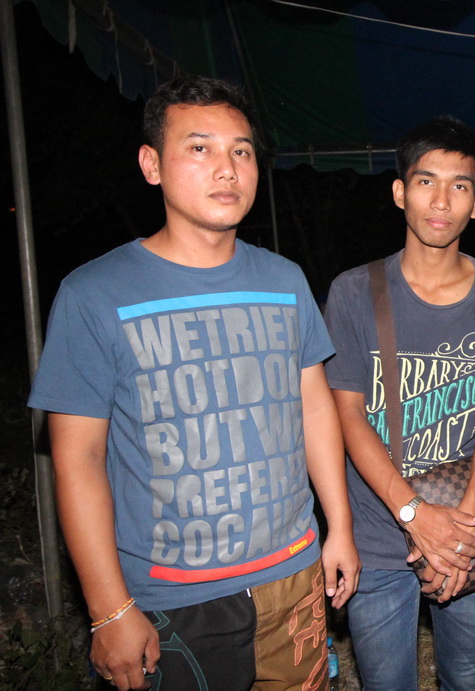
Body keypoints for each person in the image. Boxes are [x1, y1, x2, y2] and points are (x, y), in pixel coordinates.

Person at [28, 75, 359, 691]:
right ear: (151, 164)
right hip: (172, 600)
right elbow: (78, 460)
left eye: (241, 151)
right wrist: (109, 609)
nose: (227, 168)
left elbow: (314, 409)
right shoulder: (93, 294)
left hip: (292, 575)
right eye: (200, 148)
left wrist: (339, 527)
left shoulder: (285, 280)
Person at [323, 116, 475, 690]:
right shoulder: (353, 291)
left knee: (466, 673)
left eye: (459, 186)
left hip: (467, 523)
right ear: (399, 192)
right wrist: (414, 515)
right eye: (425, 181)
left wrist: (463, 533)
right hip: (378, 531)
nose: (440, 201)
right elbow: (347, 415)